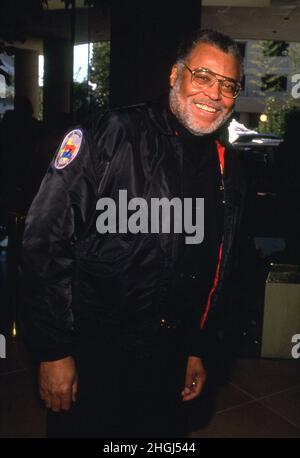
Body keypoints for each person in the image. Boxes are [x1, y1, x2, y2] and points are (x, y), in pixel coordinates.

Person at [21, 29, 245, 437]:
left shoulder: (226, 166)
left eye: (228, 85)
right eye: (203, 76)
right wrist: (53, 351)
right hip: (96, 357)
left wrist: (197, 346)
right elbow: (44, 242)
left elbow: (215, 268)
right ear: (175, 75)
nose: (214, 94)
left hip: (168, 361)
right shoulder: (111, 134)